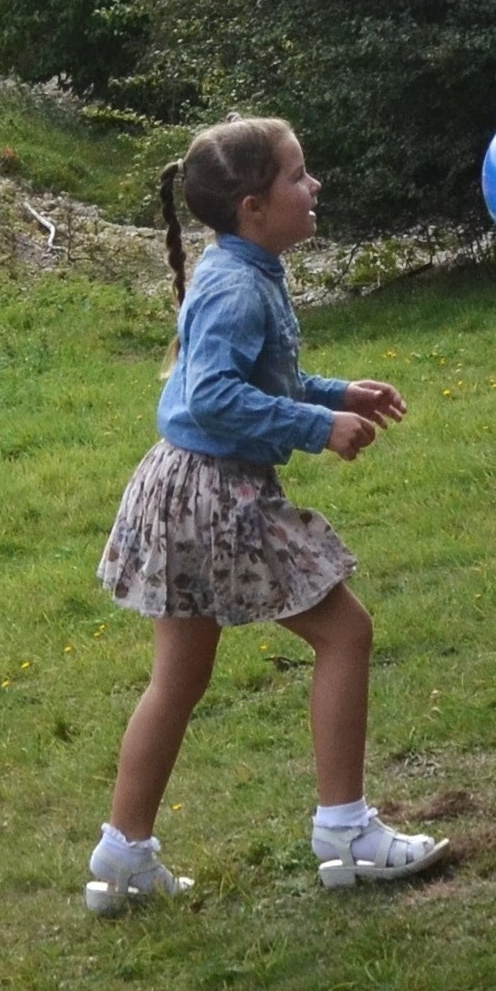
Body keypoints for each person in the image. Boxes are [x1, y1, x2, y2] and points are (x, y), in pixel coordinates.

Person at [85, 116, 443, 910]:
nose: (312, 188)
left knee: (176, 678)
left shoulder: (241, 269)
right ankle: (345, 831)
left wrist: (334, 391)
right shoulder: (238, 282)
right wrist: (315, 426)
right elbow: (212, 394)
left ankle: (121, 857)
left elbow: (256, 372)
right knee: (344, 632)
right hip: (216, 491)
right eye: (298, 176)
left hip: (178, 485)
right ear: (254, 206)